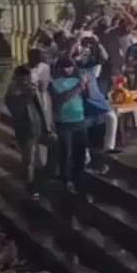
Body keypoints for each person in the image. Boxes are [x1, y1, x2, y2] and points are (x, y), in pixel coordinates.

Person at [4, 66, 48, 193]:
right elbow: (13, 107)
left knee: (37, 158)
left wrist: (46, 126)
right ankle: (30, 185)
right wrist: (26, 96)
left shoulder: (31, 88)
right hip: (24, 128)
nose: (26, 81)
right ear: (17, 78)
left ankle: (29, 178)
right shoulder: (12, 90)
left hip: (36, 125)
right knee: (29, 158)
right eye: (24, 78)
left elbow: (40, 108)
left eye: (28, 78)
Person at [48, 57, 88, 193]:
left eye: (70, 66)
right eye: (65, 67)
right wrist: (78, 87)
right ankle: (66, 180)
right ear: (59, 69)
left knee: (80, 152)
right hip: (64, 122)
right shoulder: (54, 84)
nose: (68, 69)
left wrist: (86, 84)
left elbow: (87, 97)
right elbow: (60, 99)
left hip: (79, 119)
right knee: (66, 152)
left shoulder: (78, 80)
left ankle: (79, 177)